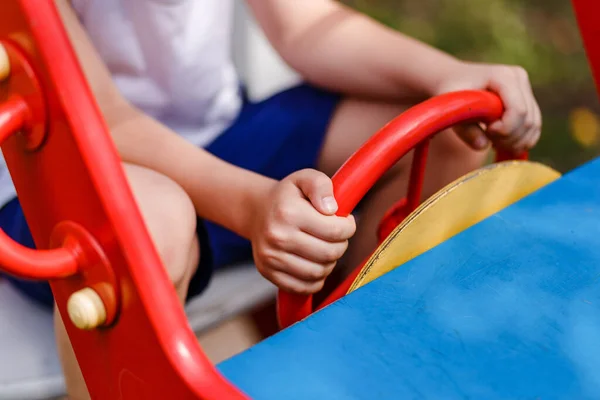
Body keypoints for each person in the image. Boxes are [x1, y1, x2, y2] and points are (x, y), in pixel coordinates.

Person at [0, 0, 541, 398]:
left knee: (441, 131)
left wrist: (447, 75)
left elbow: (304, 25)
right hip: (59, 172)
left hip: (220, 136)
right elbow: (101, 124)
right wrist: (250, 205)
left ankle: (356, 367)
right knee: (151, 220)